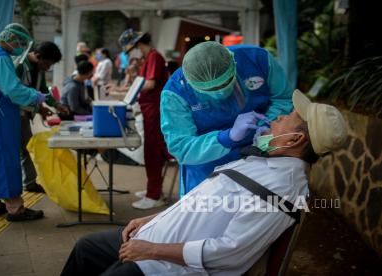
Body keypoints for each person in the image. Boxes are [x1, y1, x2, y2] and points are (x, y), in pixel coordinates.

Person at [60, 90, 348, 276]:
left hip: (167, 266)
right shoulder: (265, 162)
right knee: (86, 249)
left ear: (295, 140)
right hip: (155, 237)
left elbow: (230, 252)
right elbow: (203, 202)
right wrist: (153, 218)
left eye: (288, 118)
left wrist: (150, 250)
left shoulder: (281, 189)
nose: (279, 117)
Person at [161, 41, 295, 196]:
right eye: (210, 89)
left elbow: (283, 98)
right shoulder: (175, 92)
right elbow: (181, 148)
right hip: (206, 167)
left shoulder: (257, 59)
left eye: (225, 83)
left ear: (234, 63)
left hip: (261, 154)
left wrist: (265, 124)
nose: (219, 93)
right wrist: (226, 137)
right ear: (191, 83)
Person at [0, 23, 46, 221]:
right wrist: (34, 95)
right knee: (5, 160)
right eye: (19, 42)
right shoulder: (1, 56)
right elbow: (11, 89)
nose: (20, 46)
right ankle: (15, 208)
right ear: (11, 39)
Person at [108, 29, 171, 209]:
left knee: (153, 153)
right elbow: (141, 83)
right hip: (149, 110)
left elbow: (149, 84)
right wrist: (122, 90)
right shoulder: (148, 58)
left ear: (137, 44)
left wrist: (126, 91)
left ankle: (154, 195)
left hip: (154, 111)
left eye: (129, 51)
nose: (129, 55)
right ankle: (153, 190)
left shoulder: (154, 57)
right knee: (150, 153)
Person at [15, 41, 68, 193]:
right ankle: (27, 184)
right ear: (38, 56)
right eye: (48, 63)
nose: (48, 68)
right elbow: (18, 93)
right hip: (14, 114)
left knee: (24, 148)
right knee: (22, 149)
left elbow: (43, 91)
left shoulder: (39, 69)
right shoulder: (20, 66)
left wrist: (55, 105)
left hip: (25, 114)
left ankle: (29, 182)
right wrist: (39, 108)